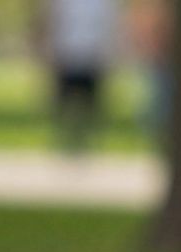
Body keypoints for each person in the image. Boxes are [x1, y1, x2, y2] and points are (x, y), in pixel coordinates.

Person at [38, 0, 120, 150]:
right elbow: (53, 22)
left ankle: (87, 139)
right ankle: (65, 138)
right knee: (64, 101)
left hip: (92, 55)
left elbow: (109, 26)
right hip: (67, 53)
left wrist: (110, 54)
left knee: (90, 102)